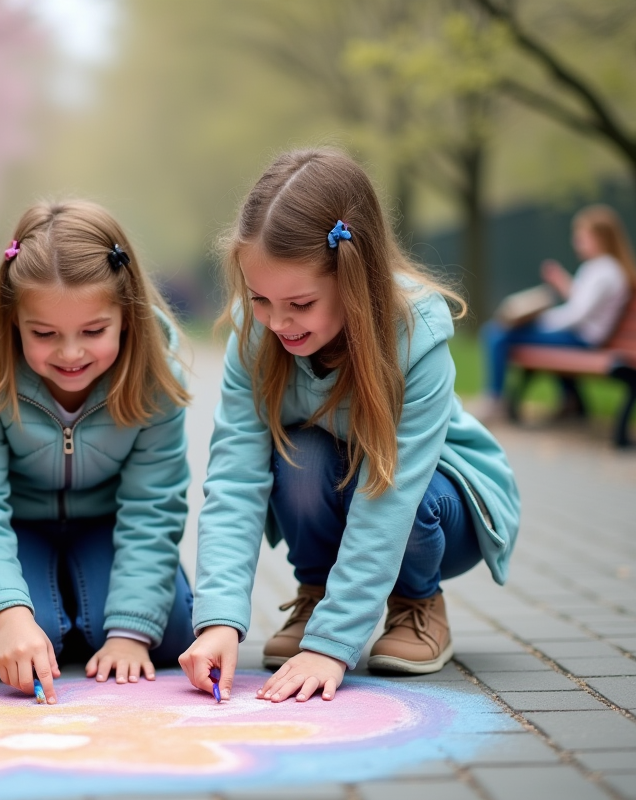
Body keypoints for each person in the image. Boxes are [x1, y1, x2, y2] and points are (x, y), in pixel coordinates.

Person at [179, 149, 520, 705]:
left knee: (406, 493)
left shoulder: (415, 334)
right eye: (260, 298)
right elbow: (235, 480)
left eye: (301, 303)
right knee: (301, 454)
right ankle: (317, 594)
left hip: (438, 503)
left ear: (351, 276)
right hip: (342, 489)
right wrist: (218, 621)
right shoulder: (256, 334)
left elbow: (392, 494)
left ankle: (417, 603)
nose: (278, 321)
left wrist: (333, 646)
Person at [0, 201, 195, 704]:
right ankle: (35, 608)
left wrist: (128, 634)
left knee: (169, 632)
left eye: (94, 332)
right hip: (17, 527)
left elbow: (153, 510)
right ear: (13, 321)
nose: (71, 353)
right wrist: (9, 616)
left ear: (127, 317)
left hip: (108, 527)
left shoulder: (155, 383)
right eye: (44, 334)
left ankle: (84, 612)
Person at [482, 204, 636, 417]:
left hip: (583, 339)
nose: (577, 241)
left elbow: (578, 315)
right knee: (500, 330)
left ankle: (494, 399)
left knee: (497, 332)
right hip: (579, 335)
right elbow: (583, 303)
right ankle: (572, 400)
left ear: (601, 238)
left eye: (582, 236)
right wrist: (563, 283)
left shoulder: (605, 271)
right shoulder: (598, 268)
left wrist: (541, 321)